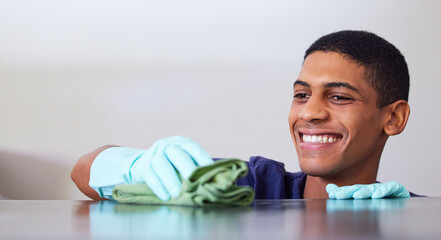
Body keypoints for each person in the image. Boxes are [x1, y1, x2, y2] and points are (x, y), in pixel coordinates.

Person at [71, 30, 417, 201]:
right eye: (301, 95)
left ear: (394, 118)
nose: (310, 112)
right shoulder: (250, 186)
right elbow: (83, 172)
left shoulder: (417, 217)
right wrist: (134, 165)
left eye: (339, 97)